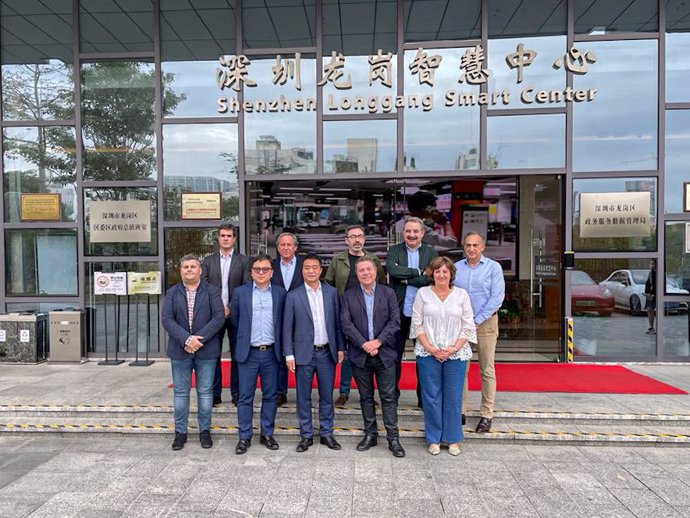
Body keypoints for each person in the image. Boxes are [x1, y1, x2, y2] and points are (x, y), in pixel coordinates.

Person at [340, 256, 405, 458]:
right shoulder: (348, 296)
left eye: (369, 269)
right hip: (360, 355)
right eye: (362, 270)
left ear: (376, 271)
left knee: (388, 397)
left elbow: (395, 322)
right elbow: (346, 324)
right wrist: (364, 344)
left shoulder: (388, 293)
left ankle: (393, 438)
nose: (366, 273)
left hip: (384, 353)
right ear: (357, 274)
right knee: (366, 398)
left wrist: (377, 342)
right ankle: (370, 434)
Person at [411, 256, 476, 456]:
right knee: (431, 397)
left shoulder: (461, 295)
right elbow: (417, 323)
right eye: (437, 271)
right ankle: (433, 438)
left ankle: (452, 438)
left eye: (445, 271)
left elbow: (468, 325)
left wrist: (453, 348)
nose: (441, 274)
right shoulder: (423, 294)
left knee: (453, 397)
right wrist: (430, 348)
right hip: (427, 353)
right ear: (432, 273)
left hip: (455, 354)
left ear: (451, 274)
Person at [163, 254, 225, 451]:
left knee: (205, 393)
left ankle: (204, 431)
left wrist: (199, 340)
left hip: (206, 350)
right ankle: (180, 433)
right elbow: (167, 319)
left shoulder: (213, 291)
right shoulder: (172, 292)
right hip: (180, 350)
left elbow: (218, 317)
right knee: (181, 393)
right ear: (180, 271)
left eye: (193, 267)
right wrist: (186, 339)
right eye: (185, 267)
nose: (189, 270)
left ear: (200, 270)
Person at [283, 254, 345, 452]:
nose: (311, 271)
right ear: (302, 271)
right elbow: (287, 328)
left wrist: (341, 348)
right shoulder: (293, 295)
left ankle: (327, 433)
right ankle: (306, 435)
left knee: (326, 395)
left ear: (321, 270)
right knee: (304, 396)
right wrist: (289, 354)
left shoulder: (332, 293)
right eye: (307, 267)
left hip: (326, 353)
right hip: (303, 354)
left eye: (314, 267)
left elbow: (337, 323)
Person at [230, 254, 287, 454]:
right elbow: (235, 321)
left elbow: (284, 323)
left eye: (265, 269)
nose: (261, 272)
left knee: (270, 396)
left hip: (272, 353)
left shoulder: (280, 293)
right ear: (251, 272)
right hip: (249, 353)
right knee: (245, 397)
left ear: (272, 272)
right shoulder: (240, 293)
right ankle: (244, 437)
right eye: (257, 269)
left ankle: (267, 434)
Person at [325, 224, 386, 407]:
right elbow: (328, 284)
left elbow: (381, 283)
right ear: (346, 240)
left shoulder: (373, 260)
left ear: (364, 239)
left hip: (367, 314)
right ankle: (344, 392)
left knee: (367, 355)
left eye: (360, 236)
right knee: (347, 354)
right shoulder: (338, 260)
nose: (357, 240)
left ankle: (366, 394)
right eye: (352, 237)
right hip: (344, 314)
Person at [454, 232, 505, 433]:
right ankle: (460, 411)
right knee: (460, 369)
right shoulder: (456, 268)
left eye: (476, 245)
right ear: (464, 247)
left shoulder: (493, 268)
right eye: (468, 245)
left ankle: (486, 414)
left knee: (487, 369)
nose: (472, 249)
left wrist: (477, 319)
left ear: (483, 247)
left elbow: (497, 298)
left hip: (486, 323)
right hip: (461, 325)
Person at [386, 216, 438, 406]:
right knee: (393, 358)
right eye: (408, 231)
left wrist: (405, 277)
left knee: (423, 358)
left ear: (422, 233)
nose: (412, 234)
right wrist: (418, 272)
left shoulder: (431, 253)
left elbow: (431, 277)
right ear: (403, 234)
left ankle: (423, 399)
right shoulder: (394, 250)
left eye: (416, 231)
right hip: (397, 313)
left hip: (423, 316)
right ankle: (392, 397)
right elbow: (393, 270)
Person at [201, 223, 251, 407]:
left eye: (229, 236)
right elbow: (204, 286)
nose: (225, 238)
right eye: (222, 235)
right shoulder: (208, 261)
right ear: (218, 238)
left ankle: (236, 393)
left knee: (238, 355)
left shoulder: (244, 261)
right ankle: (215, 393)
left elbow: (246, 286)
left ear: (234, 239)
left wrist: (230, 306)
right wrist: (219, 307)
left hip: (236, 313)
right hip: (214, 314)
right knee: (214, 354)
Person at [272, 232, 305, 407]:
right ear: (278, 247)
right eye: (282, 245)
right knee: (279, 354)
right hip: (276, 315)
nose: (286, 248)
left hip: (300, 315)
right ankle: (280, 392)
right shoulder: (270, 265)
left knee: (301, 352)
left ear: (295, 247)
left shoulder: (304, 265)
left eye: (289, 245)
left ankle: (302, 392)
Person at [645, 260, 657, 334]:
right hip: (650, 294)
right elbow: (648, 283)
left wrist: (654, 294)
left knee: (656, 309)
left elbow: (657, 285)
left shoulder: (658, 273)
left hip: (656, 294)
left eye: (652, 264)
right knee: (649, 309)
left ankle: (658, 327)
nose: (651, 265)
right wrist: (647, 293)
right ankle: (651, 326)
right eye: (650, 264)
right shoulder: (650, 273)